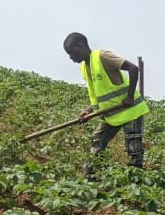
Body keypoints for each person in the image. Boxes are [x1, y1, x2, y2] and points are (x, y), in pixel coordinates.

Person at [62, 32, 148, 171]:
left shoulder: (102, 56)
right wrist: (88, 111)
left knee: (134, 148)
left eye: (72, 53)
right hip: (110, 114)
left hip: (130, 111)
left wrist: (130, 97)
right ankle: (91, 176)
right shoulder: (84, 68)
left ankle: (136, 179)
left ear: (81, 45)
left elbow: (133, 68)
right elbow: (101, 95)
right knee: (97, 141)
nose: (71, 57)